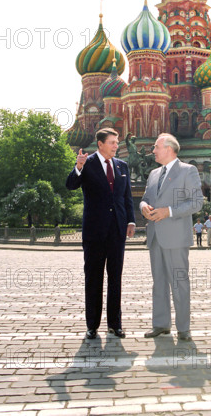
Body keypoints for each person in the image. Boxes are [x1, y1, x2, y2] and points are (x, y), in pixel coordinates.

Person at [66, 127, 135, 340]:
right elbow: (70, 185)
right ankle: (92, 326)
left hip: (117, 230)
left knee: (116, 278)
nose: (116, 146)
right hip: (94, 232)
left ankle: (115, 324)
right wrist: (78, 166)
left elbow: (127, 197)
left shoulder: (122, 165)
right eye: (112, 142)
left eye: (117, 142)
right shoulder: (87, 164)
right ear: (100, 144)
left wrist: (130, 220)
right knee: (93, 279)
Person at [140, 133, 203, 341]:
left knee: (179, 282)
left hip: (175, 236)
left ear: (168, 148)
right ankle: (161, 324)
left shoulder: (188, 171)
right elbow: (146, 198)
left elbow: (196, 203)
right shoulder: (153, 174)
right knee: (158, 282)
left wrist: (169, 211)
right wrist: (143, 207)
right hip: (155, 236)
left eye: (156, 147)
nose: (153, 151)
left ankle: (183, 328)